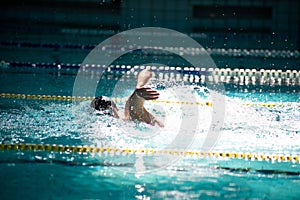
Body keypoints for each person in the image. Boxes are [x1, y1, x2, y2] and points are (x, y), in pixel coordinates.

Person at [90, 69, 164, 127]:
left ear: (111, 108)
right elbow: (146, 71)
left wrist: (138, 90)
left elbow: (134, 108)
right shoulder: (125, 113)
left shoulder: (126, 117)